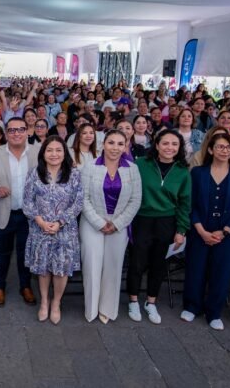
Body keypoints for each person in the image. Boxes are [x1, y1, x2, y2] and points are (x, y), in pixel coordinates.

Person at [181, 133, 230, 330]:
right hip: (199, 230)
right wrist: (201, 230)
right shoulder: (198, 173)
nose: (225, 150)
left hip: (228, 233)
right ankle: (192, 306)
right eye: (220, 147)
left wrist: (225, 231)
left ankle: (214, 312)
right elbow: (190, 204)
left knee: (222, 272)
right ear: (210, 149)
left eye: (228, 147)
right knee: (196, 269)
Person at [127, 130, 191, 324]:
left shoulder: (182, 171)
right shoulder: (140, 165)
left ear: (179, 148)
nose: (169, 148)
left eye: (174, 144)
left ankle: (151, 302)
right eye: (165, 143)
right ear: (156, 145)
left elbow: (184, 203)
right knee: (137, 263)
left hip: (167, 222)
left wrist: (181, 230)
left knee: (159, 264)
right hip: (142, 220)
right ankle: (133, 300)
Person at [80, 130, 142, 323]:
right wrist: (99, 223)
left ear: (125, 146)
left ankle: (107, 308)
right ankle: (91, 309)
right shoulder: (90, 167)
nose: (115, 148)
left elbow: (135, 200)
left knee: (113, 266)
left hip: (119, 224)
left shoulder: (132, 168)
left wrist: (117, 224)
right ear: (103, 145)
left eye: (119, 144)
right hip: (92, 222)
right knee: (92, 264)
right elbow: (83, 198)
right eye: (111, 143)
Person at [0, 117, 40, 307]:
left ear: (27, 132)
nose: (16, 133)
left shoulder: (38, 152)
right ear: (6, 133)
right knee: (2, 253)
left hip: (29, 215)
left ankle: (25, 286)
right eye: (12, 130)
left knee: (25, 253)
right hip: (3, 213)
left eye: (20, 129)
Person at [22, 136, 83, 324]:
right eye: (49, 150)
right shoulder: (35, 173)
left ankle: (56, 303)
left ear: (65, 153)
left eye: (58, 150)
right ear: (43, 154)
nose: (54, 154)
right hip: (40, 230)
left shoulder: (74, 174)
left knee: (60, 269)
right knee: (43, 268)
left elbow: (78, 202)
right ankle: (44, 303)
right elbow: (27, 201)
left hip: (64, 231)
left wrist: (60, 222)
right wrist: (40, 221)